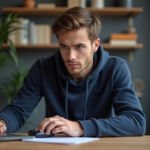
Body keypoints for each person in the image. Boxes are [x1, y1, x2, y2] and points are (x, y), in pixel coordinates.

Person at [0, 7, 146, 137]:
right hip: (56, 146)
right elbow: (18, 110)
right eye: (64, 47)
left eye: (79, 47)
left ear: (95, 45)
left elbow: (136, 121)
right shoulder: (43, 68)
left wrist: (80, 127)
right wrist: (3, 122)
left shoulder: (115, 68)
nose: (71, 57)